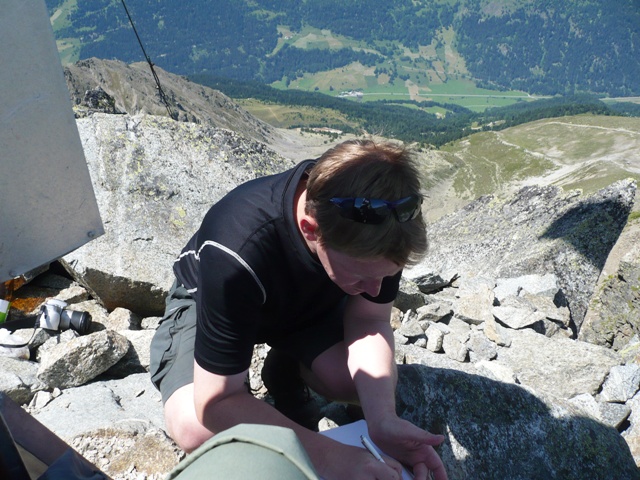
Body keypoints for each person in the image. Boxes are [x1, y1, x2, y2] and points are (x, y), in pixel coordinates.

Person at [150, 139, 448, 480]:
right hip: (209, 300)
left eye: (388, 275)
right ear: (311, 229)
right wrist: (331, 457)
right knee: (195, 428)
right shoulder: (236, 249)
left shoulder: (380, 221)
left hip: (307, 307)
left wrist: (382, 421)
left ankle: (285, 369)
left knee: (362, 385)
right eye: (365, 276)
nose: (376, 290)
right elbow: (215, 403)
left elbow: (368, 319)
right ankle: (274, 372)